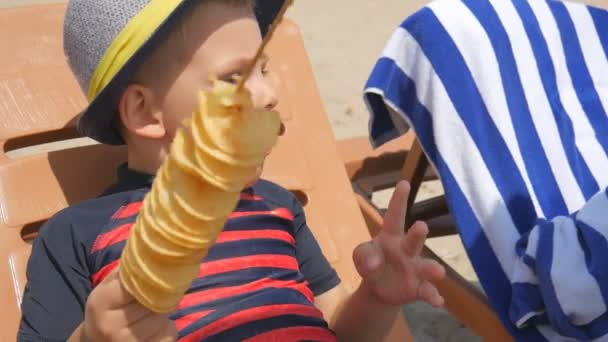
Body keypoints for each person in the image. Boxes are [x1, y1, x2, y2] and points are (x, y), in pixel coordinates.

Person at [18, 0, 445, 341]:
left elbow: (336, 324)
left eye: (264, 69)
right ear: (144, 111)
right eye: (234, 78)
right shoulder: (76, 233)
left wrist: (376, 297)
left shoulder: (275, 204)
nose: (271, 92)